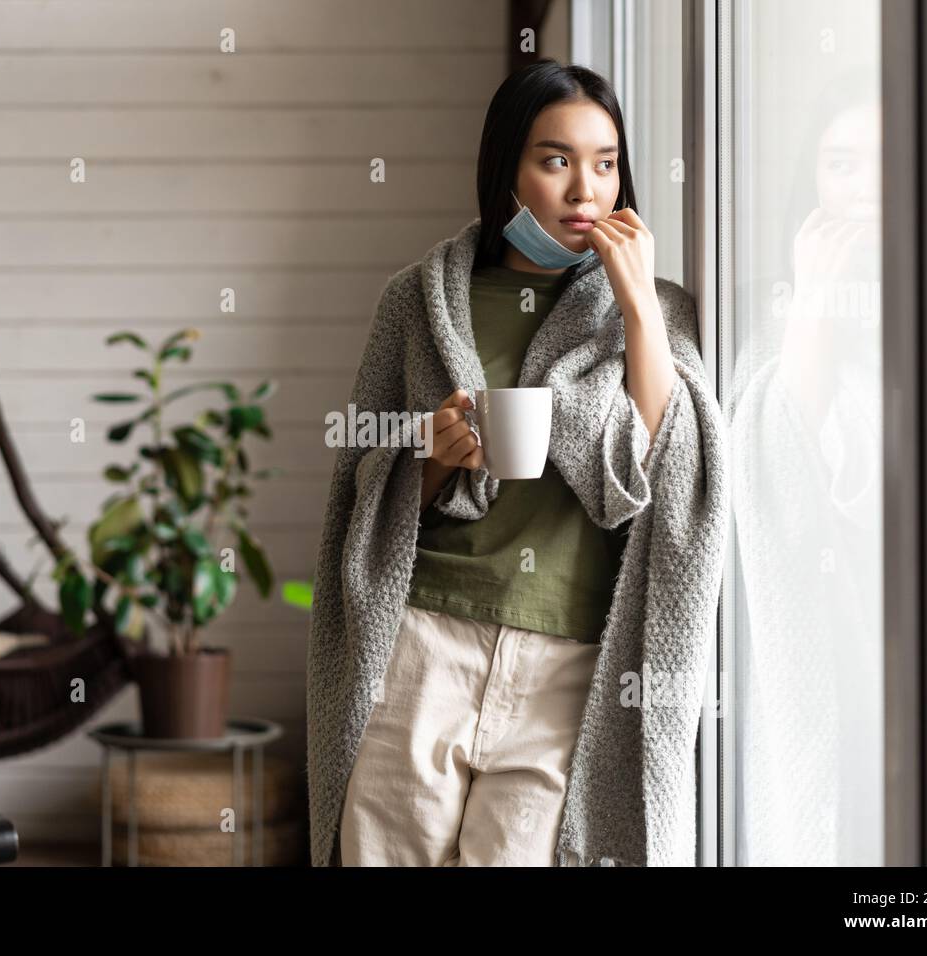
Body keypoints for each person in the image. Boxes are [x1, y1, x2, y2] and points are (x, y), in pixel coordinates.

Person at [308, 58, 725, 867]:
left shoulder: (654, 314)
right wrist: (428, 459)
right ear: (507, 169)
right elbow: (360, 465)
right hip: (422, 642)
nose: (584, 191)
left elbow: (662, 462)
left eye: (605, 164)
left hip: (565, 664)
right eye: (556, 160)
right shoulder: (418, 299)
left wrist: (637, 304)